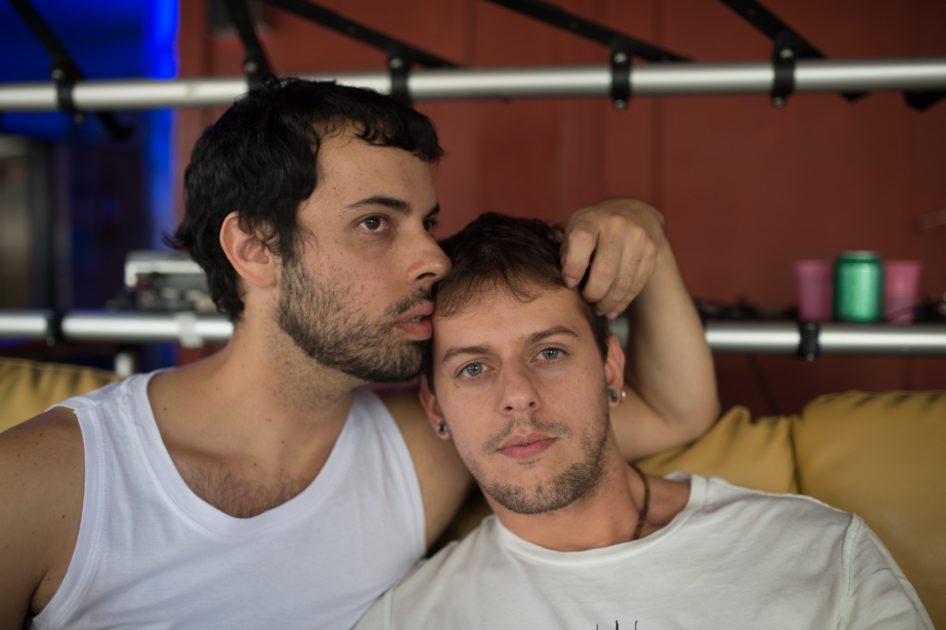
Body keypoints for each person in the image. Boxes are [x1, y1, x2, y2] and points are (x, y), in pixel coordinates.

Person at [0, 78, 718, 628]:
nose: (434, 258)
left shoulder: (420, 453)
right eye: (376, 223)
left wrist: (642, 227)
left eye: (427, 223)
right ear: (255, 248)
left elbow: (675, 409)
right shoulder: (45, 485)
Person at [355, 212, 933, 630]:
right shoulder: (410, 617)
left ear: (611, 368)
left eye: (549, 352)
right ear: (436, 407)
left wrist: (643, 220)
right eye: (474, 368)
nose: (518, 397)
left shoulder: (815, 549)